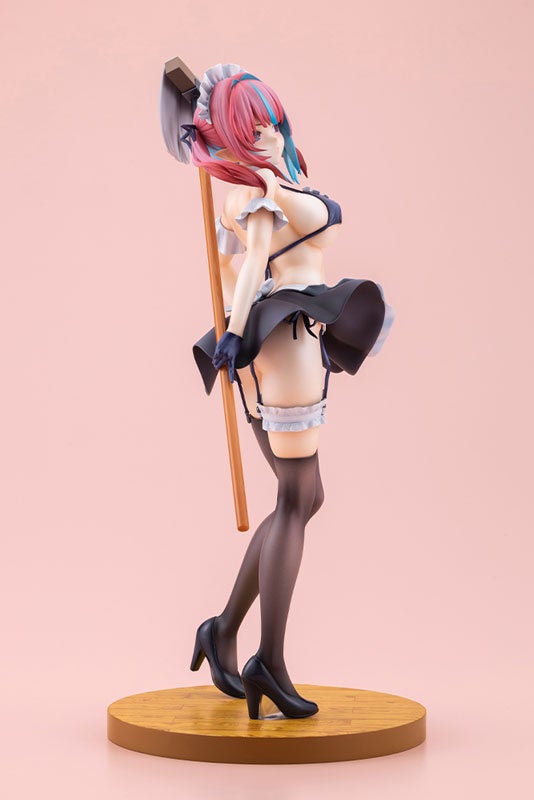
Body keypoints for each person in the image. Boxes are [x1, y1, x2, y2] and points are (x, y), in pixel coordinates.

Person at [160, 63, 395, 719]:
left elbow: (239, 257)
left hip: (296, 336)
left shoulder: (275, 180)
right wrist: (235, 332)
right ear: (228, 136)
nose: (265, 131)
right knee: (296, 498)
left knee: (305, 496)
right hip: (282, 341)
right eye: (249, 125)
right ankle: (269, 658)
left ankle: (223, 630)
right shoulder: (255, 192)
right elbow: (248, 265)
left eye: (270, 119)